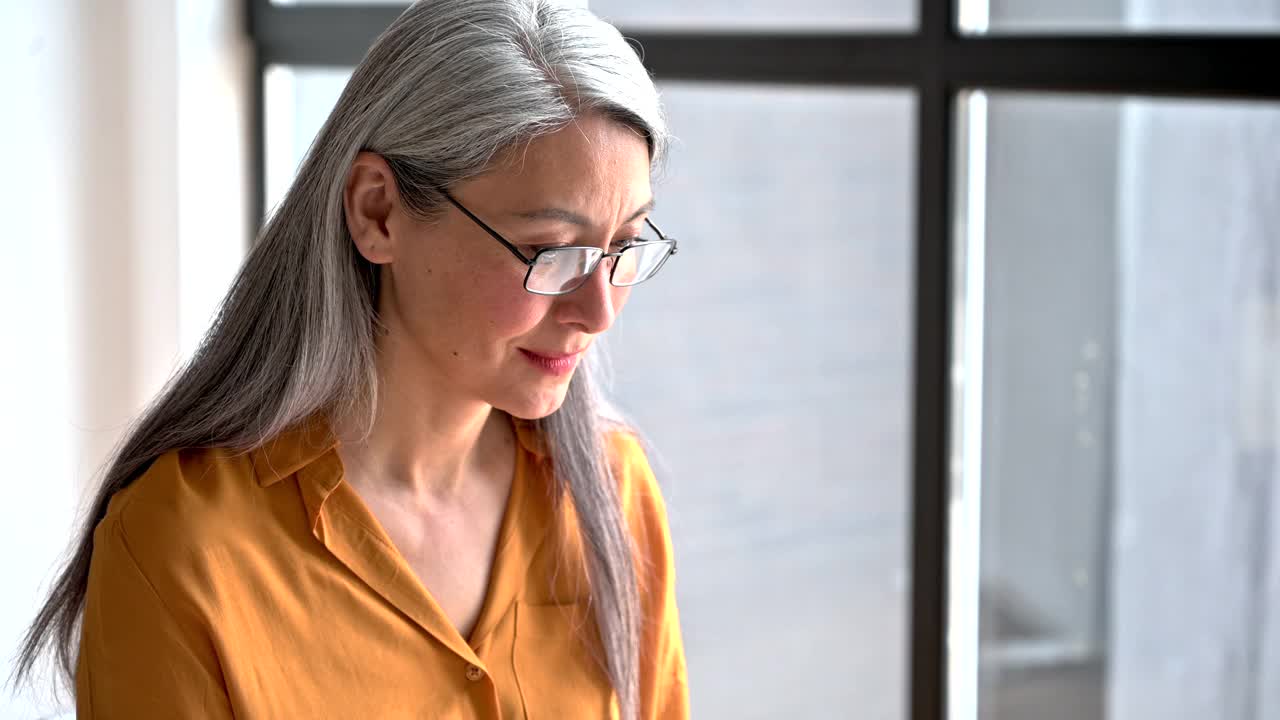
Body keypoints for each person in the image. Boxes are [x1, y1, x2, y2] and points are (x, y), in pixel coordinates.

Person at [13, 1, 689, 717]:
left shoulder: (613, 493)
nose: (598, 311)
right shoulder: (185, 550)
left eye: (625, 247)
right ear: (378, 213)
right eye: (553, 251)